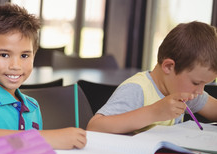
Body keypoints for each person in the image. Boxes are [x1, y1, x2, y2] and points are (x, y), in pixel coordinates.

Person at [0, 3, 87, 150]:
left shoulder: (32, 107)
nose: (15, 65)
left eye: (24, 55)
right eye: (4, 55)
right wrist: (45, 138)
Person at [87, 21, 217, 134]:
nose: (200, 91)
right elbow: (94, 127)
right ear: (168, 67)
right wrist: (154, 112)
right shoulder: (138, 90)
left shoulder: (185, 92)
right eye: (196, 82)